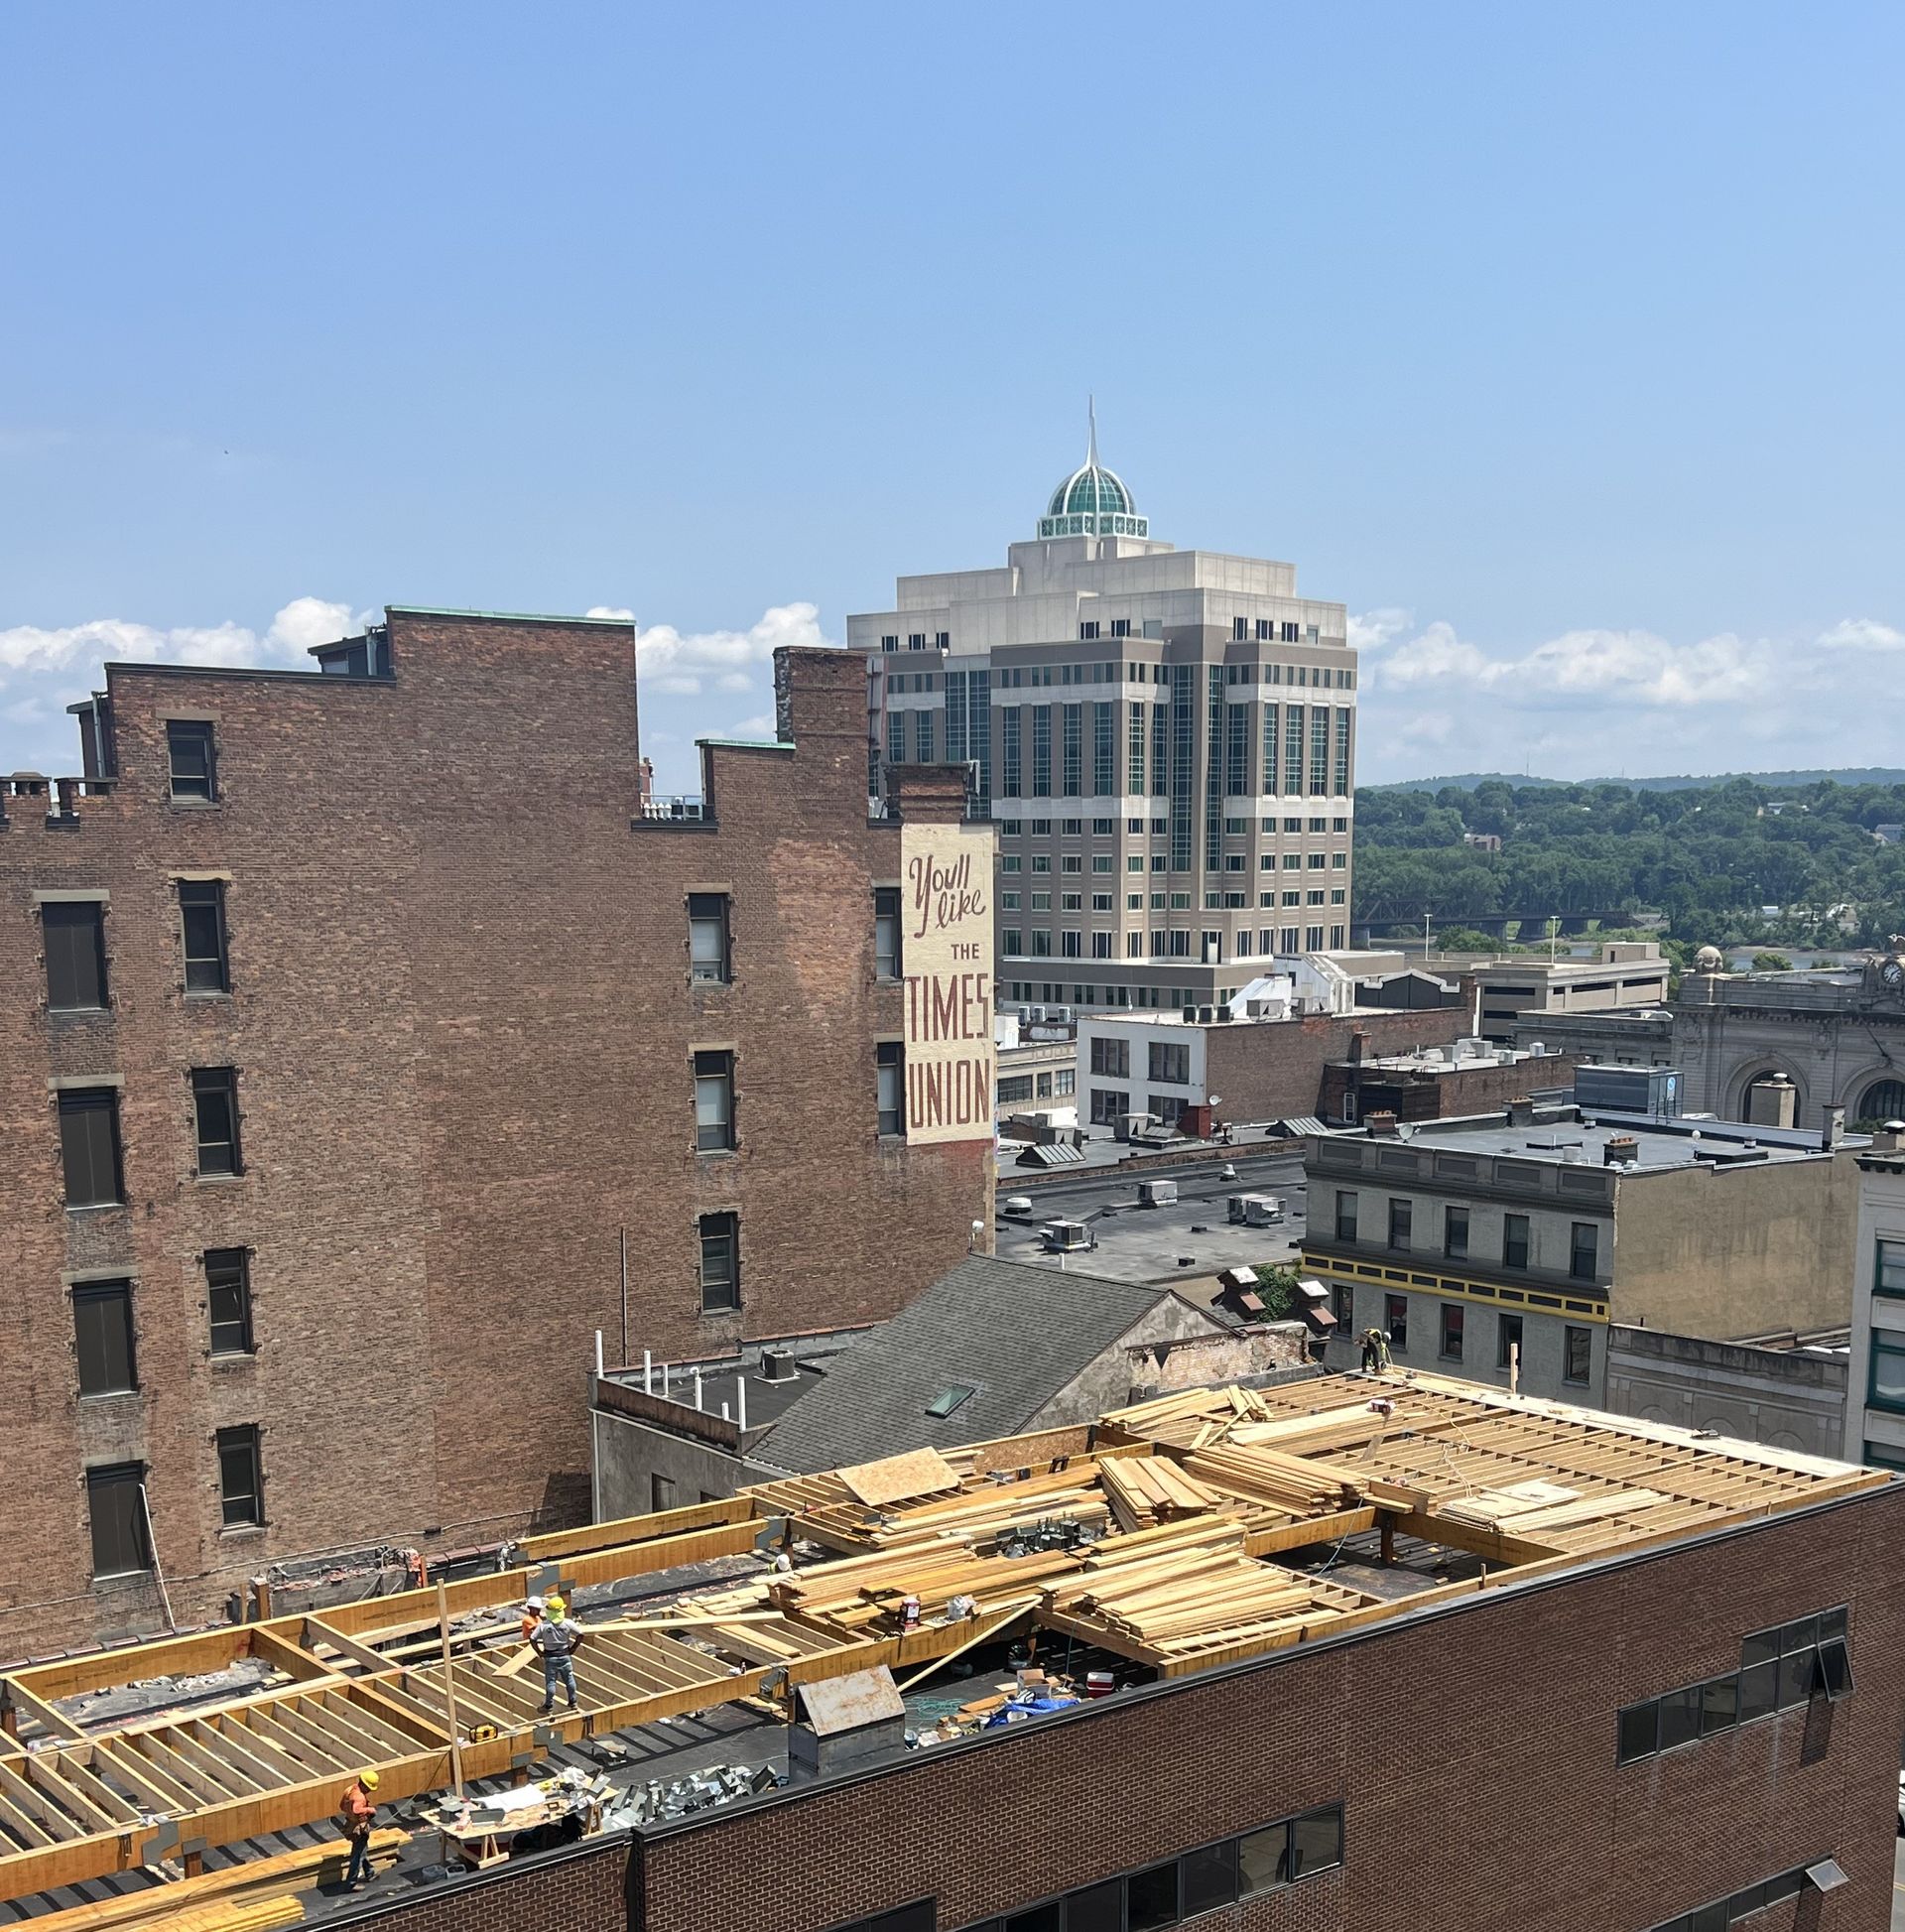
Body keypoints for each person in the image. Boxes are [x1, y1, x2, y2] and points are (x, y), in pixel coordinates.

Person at [532, 1604, 584, 1716]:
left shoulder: (544, 1626)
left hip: (550, 1657)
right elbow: (580, 1634)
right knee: (569, 1680)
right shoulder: (567, 1623)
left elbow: (532, 1639)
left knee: (551, 1682)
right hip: (565, 1655)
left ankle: (548, 1706)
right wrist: (573, 1648)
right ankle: (573, 1702)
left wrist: (539, 1652)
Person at [337, 1768, 379, 1887]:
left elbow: (342, 1806)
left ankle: (369, 1872)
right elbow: (356, 1809)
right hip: (359, 1828)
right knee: (357, 1855)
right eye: (370, 1788)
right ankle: (351, 1883)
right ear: (365, 1785)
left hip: (351, 1824)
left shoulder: (350, 1790)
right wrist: (369, 1810)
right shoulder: (359, 1797)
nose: (370, 1791)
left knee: (362, 1850)